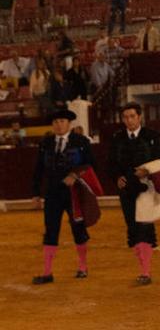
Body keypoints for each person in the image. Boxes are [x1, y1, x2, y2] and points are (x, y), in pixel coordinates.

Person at [108, 102, 160, 285]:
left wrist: (148, 171)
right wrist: (117, 177)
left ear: (139, 117)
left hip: (146, 188)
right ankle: (144, 268)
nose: (129, 120)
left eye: (132, 116)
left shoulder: (152, 136)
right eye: (125, 117)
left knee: (143, 228)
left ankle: (145, 271)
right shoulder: (117, 138)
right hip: (127, 189)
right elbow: (110, 164)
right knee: (133, 227)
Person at [31, 109, 96, 283]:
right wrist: (36, 193)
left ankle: (83, 267)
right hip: (52, 193)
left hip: (75, 193)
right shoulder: (46, 143)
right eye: (55, 122)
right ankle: (47, 272)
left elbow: (90, 165)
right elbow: (38, 169)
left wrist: (75, 175)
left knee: (78, 228)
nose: (59, 125)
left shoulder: (81, 142)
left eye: (62, 121)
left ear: (69, 123)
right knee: (50, 230)